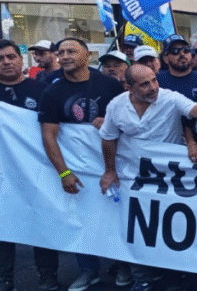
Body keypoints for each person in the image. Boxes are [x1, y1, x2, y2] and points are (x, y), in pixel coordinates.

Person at [98, 64, 197, 291]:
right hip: (134, 176)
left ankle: (175, 277)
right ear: (129, 86)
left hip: (170, 177)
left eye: (154, 80)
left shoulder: (169, 97)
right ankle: (142, 277)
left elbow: (195, 109)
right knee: (137, 225)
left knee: (173, 225)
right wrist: (109, 170)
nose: (153, 87)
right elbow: (108, 138)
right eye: (144, 84)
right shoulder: (116, 106)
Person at [38, 37, 124, 291]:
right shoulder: (52, 91)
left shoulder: (110, 85)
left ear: (87, 56)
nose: (64, 56)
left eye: (71, 51)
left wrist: (108, 121)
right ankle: (88, 270)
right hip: (78, 169)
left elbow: (128, 121)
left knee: (118, 215)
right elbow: (48, 135)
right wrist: (64, 172)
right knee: (81, 218)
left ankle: (123, 265)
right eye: (61, 52)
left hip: (114, 164)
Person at [0, 39, 59, 291]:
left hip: (36, 170)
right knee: (3, 226)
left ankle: (48, 275)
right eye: (0, 59)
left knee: (41, 223)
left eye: (10, 57)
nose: (6, 62)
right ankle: (5, 278)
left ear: (20, 59)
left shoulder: (41, 91)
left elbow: (59, 130)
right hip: (2, 173)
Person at [156, 34, 197, 101]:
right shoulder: (156, 81)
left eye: (185, 50)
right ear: (166, 59)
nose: (182, 54)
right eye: (175, 51)